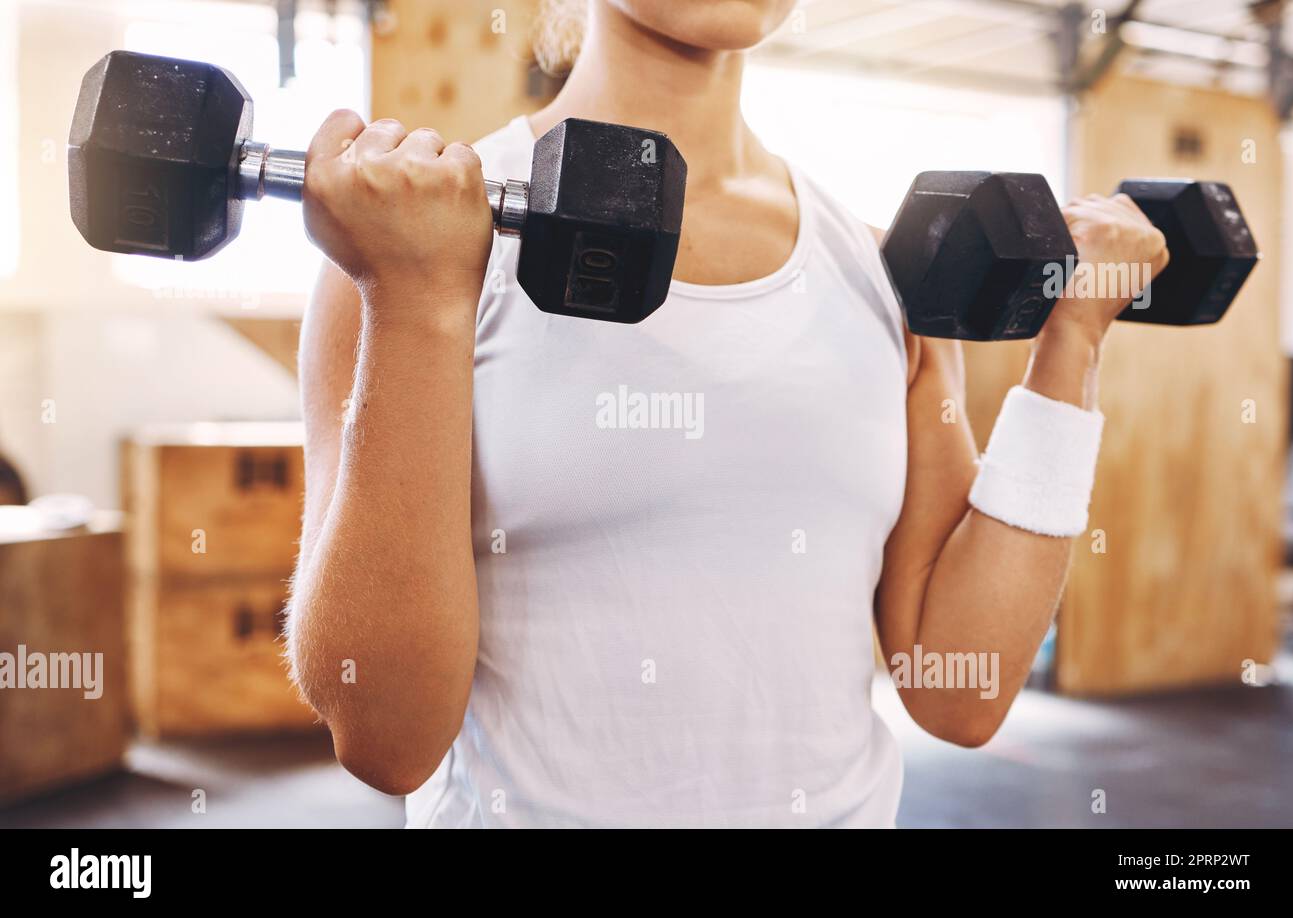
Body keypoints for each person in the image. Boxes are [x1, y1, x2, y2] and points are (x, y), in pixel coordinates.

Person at [286, 0, 1169, 827]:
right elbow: (386, 740)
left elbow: (960, 696)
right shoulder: (420, 243)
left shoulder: (877, 273)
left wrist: (1073, 346)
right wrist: (414, 301)